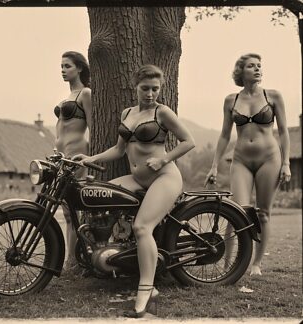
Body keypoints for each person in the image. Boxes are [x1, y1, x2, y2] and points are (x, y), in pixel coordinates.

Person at [73, 64, 195, 317]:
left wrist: (163, 160)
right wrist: (90, 158)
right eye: (145, 88)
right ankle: (116, 254)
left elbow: (189, 141)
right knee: (99, 196)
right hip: (137, 179)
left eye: (155, 89)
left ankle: (147, 289)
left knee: (142, 227)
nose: (150, 94)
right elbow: (119, 150)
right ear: (136, 87)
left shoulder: (163, 112)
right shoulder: (127, 113)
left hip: (164, 177)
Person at [204, 53, 291, 276]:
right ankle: (228, 266)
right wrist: (214, 165)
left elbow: (283, 132)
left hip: (269, 159)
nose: (257, 69)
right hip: (241, 160)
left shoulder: (273, 96)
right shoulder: (231, 100)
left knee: (263, 213)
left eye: (259, 66)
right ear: (240, 71)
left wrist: (286, 163)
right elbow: (224, 135)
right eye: (251, 66)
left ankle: (256, 264)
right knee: (237, 213)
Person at [54, 51, 92, 271]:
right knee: (66, 211)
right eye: (61, 66)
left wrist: (90, 158)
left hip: (77, 155)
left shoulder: (85, 93)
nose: (63, 70)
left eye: (67, 66)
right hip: (61, 157)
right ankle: (72, 259)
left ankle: (72, 261)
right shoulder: (65, 99)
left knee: (74, 209)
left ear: (79, 68)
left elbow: (93, 127)